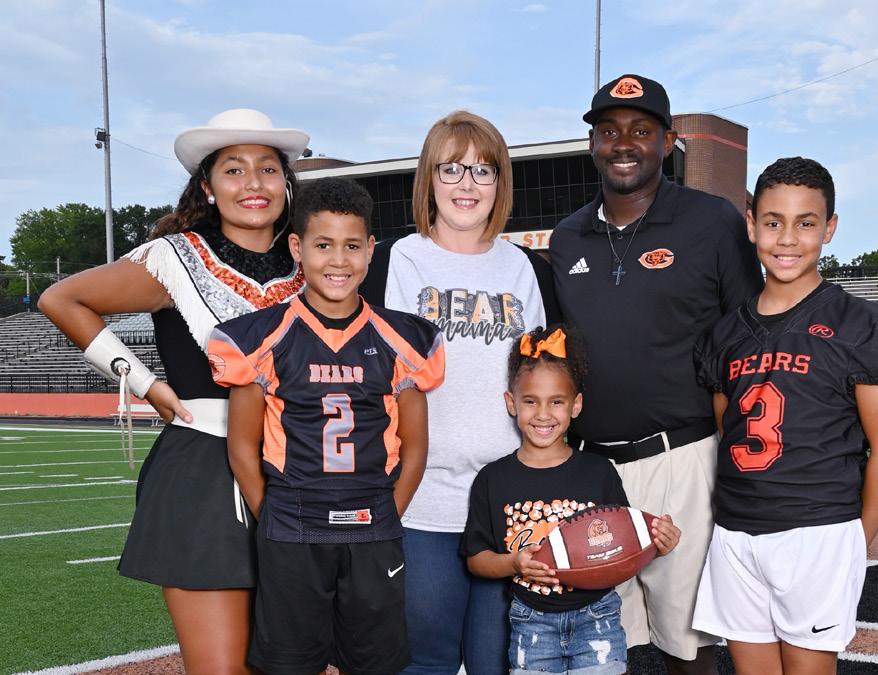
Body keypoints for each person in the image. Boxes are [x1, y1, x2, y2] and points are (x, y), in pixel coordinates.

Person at [38, 108, 310, 674]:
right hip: (205, 469)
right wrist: (143, 383)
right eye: (233, 170)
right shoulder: (173, 257)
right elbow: (61, 299)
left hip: (301, 468)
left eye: (267, 168)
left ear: (286, 183)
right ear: (207, 186)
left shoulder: (313, 261)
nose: (253, 183)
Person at [547, 73, 764, 674]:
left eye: (641, 131)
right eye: (609, 131)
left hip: (683, 458)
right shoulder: (567, 237)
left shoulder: (712, 221)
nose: (624, 143)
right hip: (592, 468)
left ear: (668, 142)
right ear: (592, 144)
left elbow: (749, 338)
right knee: (595, 647)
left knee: (686, 646)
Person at [207, 176, 444, 675]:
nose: (339, 260)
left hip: (372, 521)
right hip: (293, 524)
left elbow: (416, 447)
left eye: (352, 246)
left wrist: (387, 514)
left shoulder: (403, 338)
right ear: (297, 248)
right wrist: (275, 515)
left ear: (370, 249)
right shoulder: (262, 337)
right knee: (291, 664)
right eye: (323, 245)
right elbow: (242, 448)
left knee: (373, 664)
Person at [691, 157, 878, 675]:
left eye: (805, 223)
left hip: (817, 530)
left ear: (829, 228)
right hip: (736, 531)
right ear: (751, 225)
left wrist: (855, 540)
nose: (787, 239)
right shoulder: (724, 335)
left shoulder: (861, 325)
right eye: (773, 222)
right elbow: (727, 430)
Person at [360, 110, 559, 674]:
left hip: (509, 502)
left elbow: (545, 379)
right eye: (451, 169)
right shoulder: (393, 260)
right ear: (429, 178)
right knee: (426, 659)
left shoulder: (528, 269)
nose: (466, 184)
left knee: (501, 661)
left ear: (500, 182)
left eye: (483, 170)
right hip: (421, 498)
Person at [462, 325, 682, 675]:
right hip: (531, 622)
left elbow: (624, 542)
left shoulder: (599, 472)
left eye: (557, 402)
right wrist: (514, 563)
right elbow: (477, 560)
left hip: (597, 617)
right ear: (511, 403)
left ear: (575, 405)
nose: (543, 414)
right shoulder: (493, 479)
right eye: (530, 401)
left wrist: (659, 542)